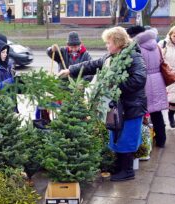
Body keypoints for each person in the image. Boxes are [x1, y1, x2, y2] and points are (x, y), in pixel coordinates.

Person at [59, 27, 147, 182]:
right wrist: (70, 70)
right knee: (117, 135)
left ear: (118, 43)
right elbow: (92, 65)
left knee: (126, 137)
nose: (107, 45)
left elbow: (139, 79)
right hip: (117, 107)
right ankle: (120, 167)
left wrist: (114, 85)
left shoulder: (134, 56)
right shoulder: (110, 56)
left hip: (131, 107)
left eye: (109, 42)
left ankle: (127, 171)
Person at [126, 25, 168, 148]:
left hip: (143, 81)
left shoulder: (136, 47)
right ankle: (161, 140)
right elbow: (161, 61)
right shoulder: (156, 45)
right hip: (157, 79)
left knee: (140, 111)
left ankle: (142, 143)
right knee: (156, 111)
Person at [37, 31, 92, 121]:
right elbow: (49, 53)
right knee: (63, 110)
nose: (74, 49)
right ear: (68, 45)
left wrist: (83, 83)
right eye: (71, 47)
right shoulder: (62, 52)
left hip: (77, 88)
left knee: (76, 111)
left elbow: (90, 70)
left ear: (80, 44)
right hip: (63, 87)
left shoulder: (85, 55)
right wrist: (51, 49)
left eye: (76, 47)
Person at [158, 25, 175, 128]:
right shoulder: (163, 44)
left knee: (174, 99)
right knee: (159, 101)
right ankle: (158, 121)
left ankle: (171, 116)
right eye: (174, 36)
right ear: (170, 35)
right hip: (164, 75)